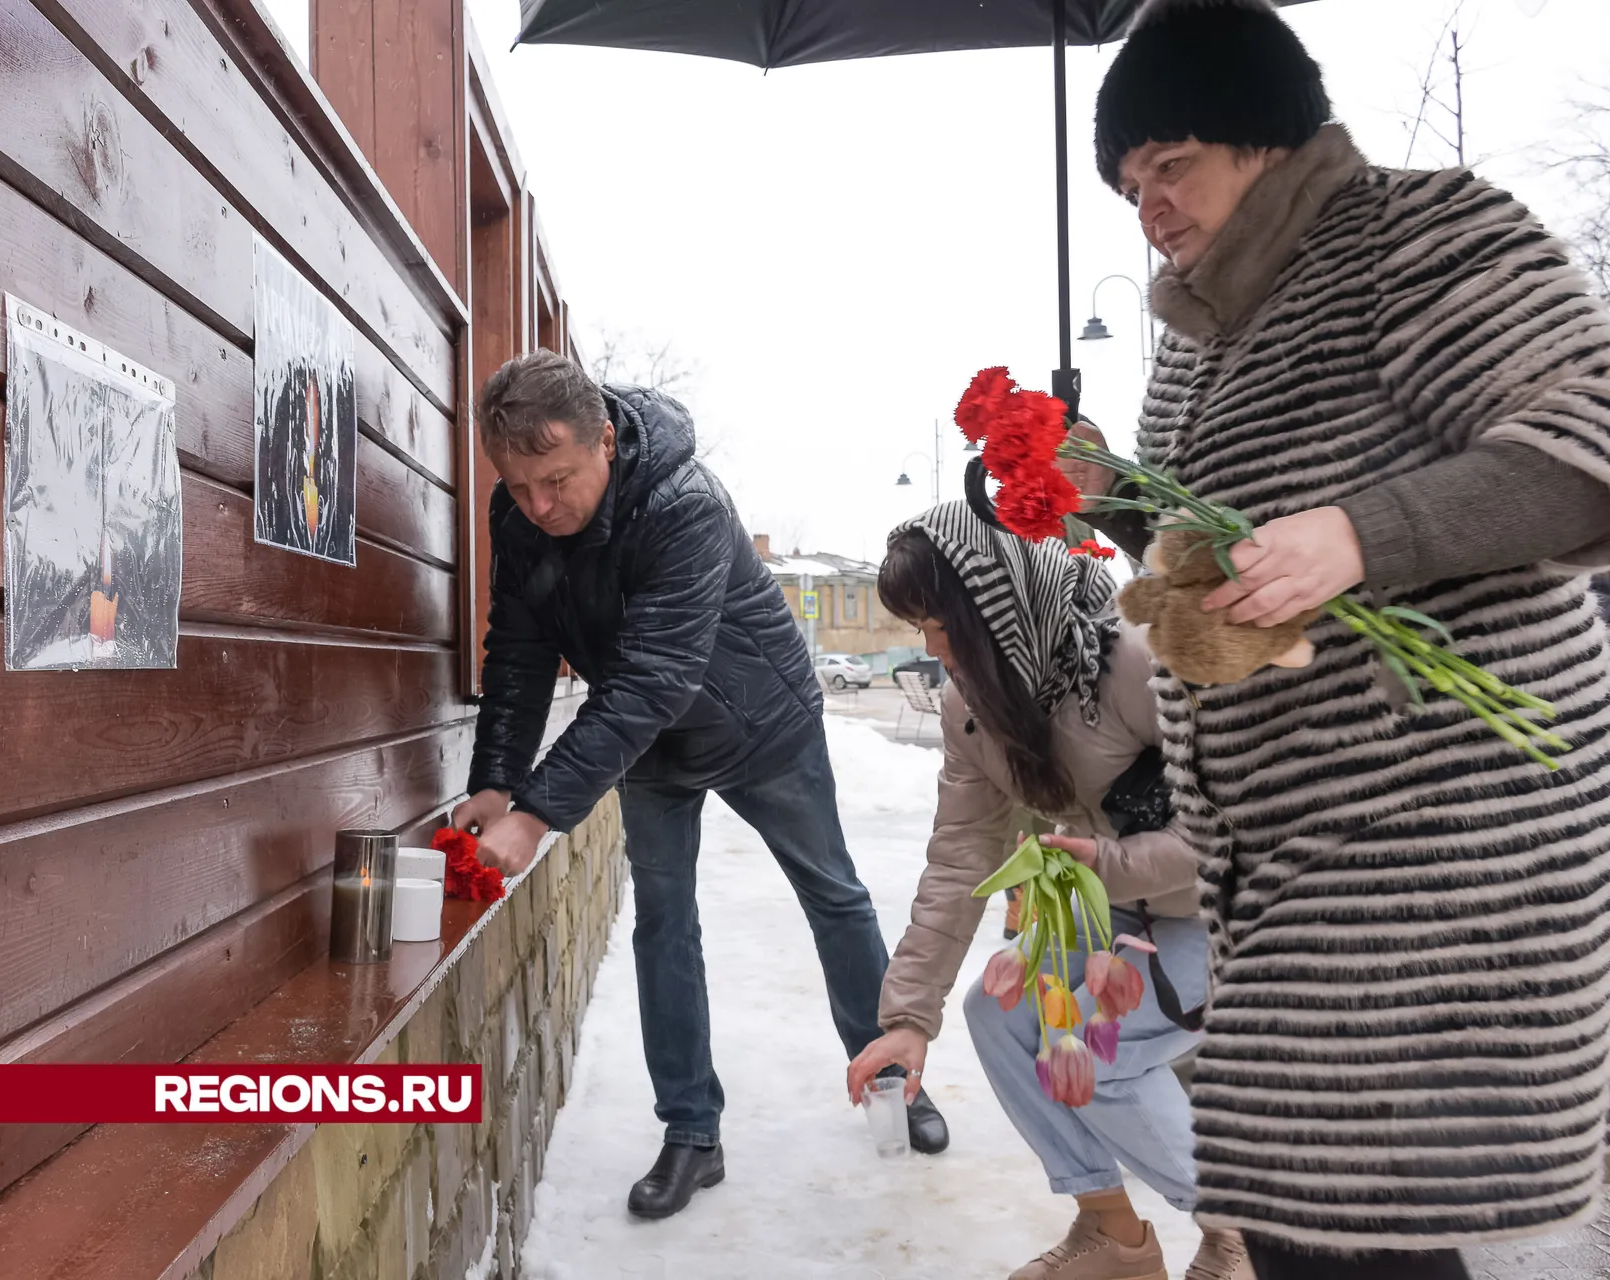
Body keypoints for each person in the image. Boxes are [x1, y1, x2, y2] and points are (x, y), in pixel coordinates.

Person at [1074, 1, 1610, 1275]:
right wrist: (1103, 487)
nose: (1146, 205)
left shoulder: (1415, 233)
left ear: (1268, 138)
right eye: (1126, 182)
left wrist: (1366, 533)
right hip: (1283, 849)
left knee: (1354, 1220)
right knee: (1315, 1216)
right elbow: (1211, 544)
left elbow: (1596, 438)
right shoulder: (1199, 338)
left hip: (1434, 831)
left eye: (1172, 164)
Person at [455, 350, 949, 1221]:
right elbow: (521, 651)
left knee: (833, 895)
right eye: (521, 485)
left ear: (606, 439)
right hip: (650, 743)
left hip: (761, 723)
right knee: (663, 924)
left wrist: (537, 814)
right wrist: (495, 780)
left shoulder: (683, 504)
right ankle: (691, 1132)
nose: (540, 506)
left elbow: (655, 676)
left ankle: (893, 1077)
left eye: (559, 479)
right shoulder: (521, 514)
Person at [845, 505, 1251, 1280]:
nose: (933, 650)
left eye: (940, 625)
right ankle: (1114, 1236)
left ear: (996, 606)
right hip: (1116, 910)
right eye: (921, 628)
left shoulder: (1134, 660)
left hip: (1226, 912)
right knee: (998, 1014)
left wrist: (1109, 864)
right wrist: (906, 1017)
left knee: (1101, 1053)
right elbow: (961, 856)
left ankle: (1244, 1235)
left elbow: (1236, 824)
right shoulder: (975, 707)